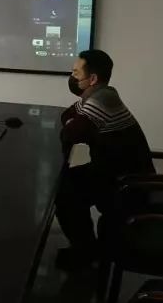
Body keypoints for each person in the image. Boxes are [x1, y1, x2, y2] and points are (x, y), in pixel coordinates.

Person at [54, 49, 155, 270]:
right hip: (114, 171)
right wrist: (73, 122)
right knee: (66, 183)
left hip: (128, 184)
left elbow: (70, 133)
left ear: (92, 79)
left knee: (64, 190)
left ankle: (85, 252)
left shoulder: (101, 100)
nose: (72, 77)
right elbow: (67, 116)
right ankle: (86, 248)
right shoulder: (101, 94)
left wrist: (73, 123)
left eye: (76, 73)